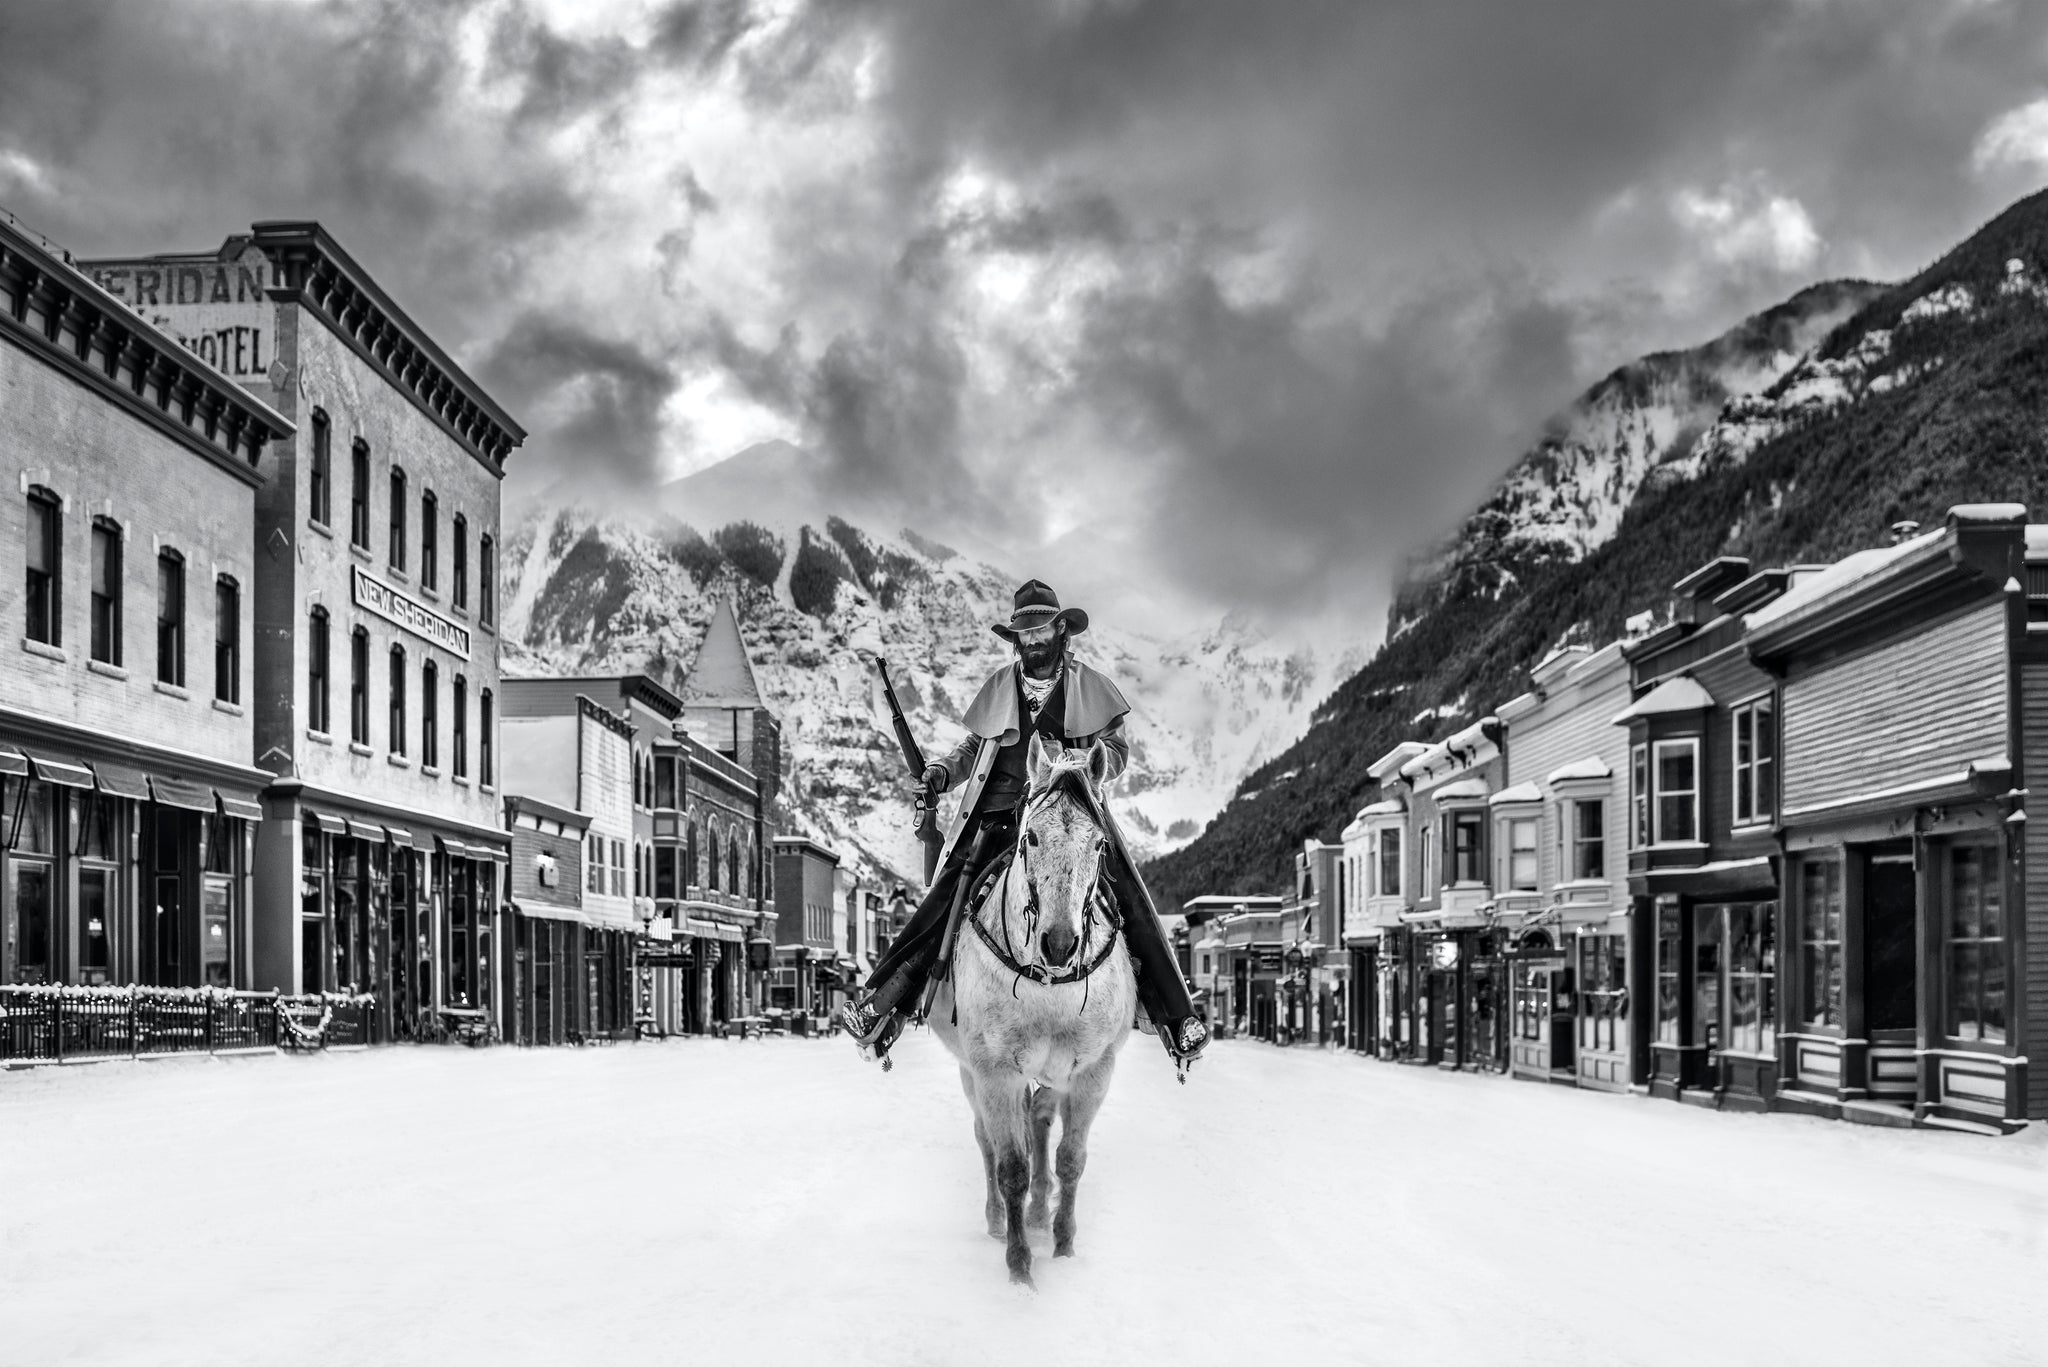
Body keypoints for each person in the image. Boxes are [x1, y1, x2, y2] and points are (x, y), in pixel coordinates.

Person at [842, 579, 1210, 1071]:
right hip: (998, 815)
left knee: (1131, 895)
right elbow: (972, 749)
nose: (1033, 640)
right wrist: (943, 773)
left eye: (1041, 630)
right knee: (944, 898)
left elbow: (1117, 751)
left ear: (1061, 631)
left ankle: (1178, 1018)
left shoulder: (1090, 686)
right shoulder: (1000, 687)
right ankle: (883, 1003)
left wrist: (1076, 761)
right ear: (1016, 638)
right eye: (1025, 632)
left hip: (1070, 811)